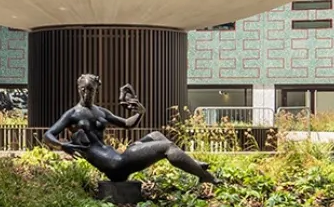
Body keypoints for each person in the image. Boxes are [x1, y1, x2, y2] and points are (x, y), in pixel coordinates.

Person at [41, 73, 215, 184]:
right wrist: (62, 145)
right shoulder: (73, 114)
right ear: (79, 89)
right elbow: (48, 135)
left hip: (117, 157)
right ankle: (201, 174)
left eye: (91, 90)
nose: (87, 94)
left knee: (156, 135)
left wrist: (140, 113)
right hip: (114, 165)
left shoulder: (101, 111)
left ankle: (192, 164)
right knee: (167, 147)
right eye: (83, 90)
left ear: (96, 90)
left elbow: (127, 124)